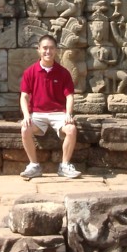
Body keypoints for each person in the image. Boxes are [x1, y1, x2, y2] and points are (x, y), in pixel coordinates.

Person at [19, 35, 81, 180]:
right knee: (25, 128)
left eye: (51, 48)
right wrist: (26, 115)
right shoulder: (30, 72)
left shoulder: (63, 72)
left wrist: (68, 114)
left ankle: (65, 165)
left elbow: (69, 96)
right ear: (39, 50)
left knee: (71, 129)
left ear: (56, 50)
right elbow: (24, 96)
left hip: (58, 113)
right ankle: (34, 165)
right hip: (37, 114)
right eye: (45, 48)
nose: (48, 51)